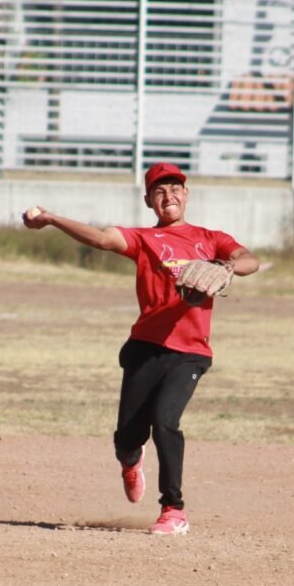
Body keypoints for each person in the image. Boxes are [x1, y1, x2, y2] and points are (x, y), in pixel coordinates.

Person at [22, 162, 260, 535]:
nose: (169, 196)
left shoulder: (211, 238)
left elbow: (250, 260)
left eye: (175, 188)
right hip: (146, 347)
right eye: (159, 191)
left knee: (165, 421)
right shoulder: (144, 239)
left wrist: (226, 267)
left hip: (191, 352)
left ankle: (173, 510)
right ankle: (131, 460)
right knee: (128, 438)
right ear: (148, 200)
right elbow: (101, 239)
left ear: (187, 195)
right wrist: (51, 218)